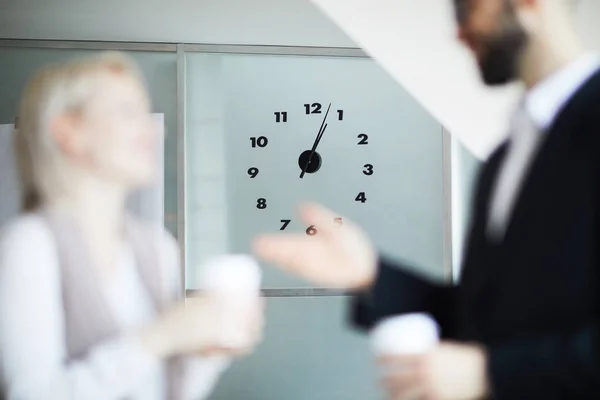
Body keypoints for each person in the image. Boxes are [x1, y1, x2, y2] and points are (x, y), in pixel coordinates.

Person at [252, 0, 600, 399]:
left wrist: (493, 374)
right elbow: (484, 318)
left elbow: (494, 363)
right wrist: (373, 274)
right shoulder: (507, 155)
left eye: (467, 8)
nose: (459, 31)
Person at [0, 52, 264, 400]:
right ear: (69, 132)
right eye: (127, 111)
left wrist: (209, 350)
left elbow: (169, 392)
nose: (155, 128)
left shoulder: (157, 247)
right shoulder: (30, 244)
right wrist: (162, 335)